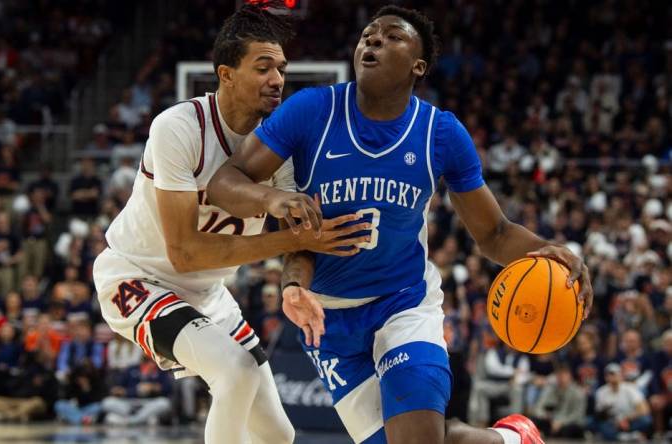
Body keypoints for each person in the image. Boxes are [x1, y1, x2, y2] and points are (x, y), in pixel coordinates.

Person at [207, 5, 594, 444]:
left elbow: (495, 233)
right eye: (369, 34)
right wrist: (274, 197)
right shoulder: (311, 110)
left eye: (392, 37)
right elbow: (224, 183)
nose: (373, 40)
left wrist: (548, 249)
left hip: (404, 304)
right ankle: (511, 439)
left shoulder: (440, 134)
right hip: (327, 317)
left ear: (419, 66)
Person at [92, 4, 367, 443]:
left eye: (281, 68)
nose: (277, 79)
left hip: (209, 294)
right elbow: (185, 253)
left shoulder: (281, 145)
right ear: (226, 75)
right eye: (263, 67)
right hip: (140, 276)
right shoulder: (179, 127)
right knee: (235, 371)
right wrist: (289, 238)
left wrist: (297, 275)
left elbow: (299, 238)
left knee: (279, 434)